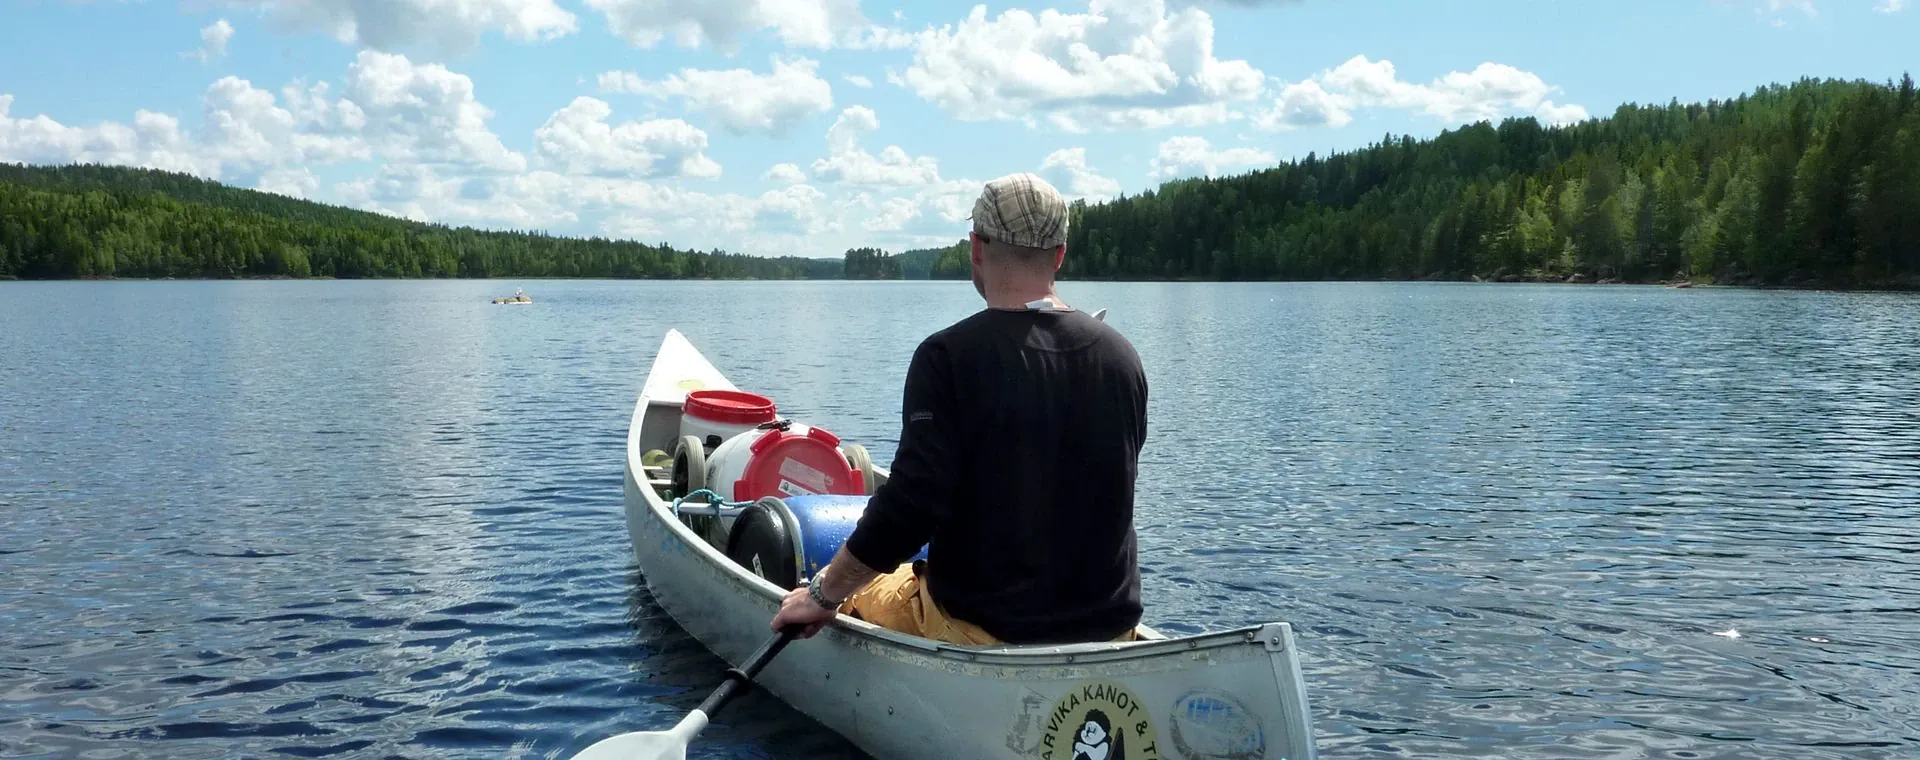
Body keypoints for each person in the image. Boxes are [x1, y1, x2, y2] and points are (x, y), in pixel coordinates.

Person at [769, 172, 1149, 646]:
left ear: (976, 248)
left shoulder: (947, 358)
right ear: (1059, 254)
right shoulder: (1122, 357)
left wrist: (822, 596)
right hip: (1111, 633)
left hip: (983, 633)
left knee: (856, 595)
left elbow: (910, 510)